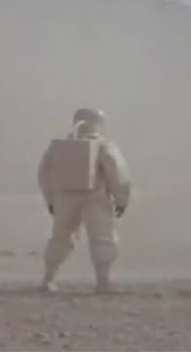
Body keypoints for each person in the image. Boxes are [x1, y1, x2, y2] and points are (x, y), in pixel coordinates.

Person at [37, 108, 131, 293]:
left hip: (64, 199)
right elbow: (118, 175)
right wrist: (121, 199)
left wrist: (51, 199)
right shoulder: (104, 146)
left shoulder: (58, 147)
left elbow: (44, 173)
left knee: (60, 238)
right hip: (96, 199)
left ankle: (47, 279)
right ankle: (103, 283)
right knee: (103, 239)